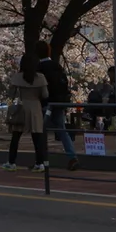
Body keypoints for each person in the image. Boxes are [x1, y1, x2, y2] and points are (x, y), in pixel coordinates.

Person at [37, 40, 80, 171]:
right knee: (62, 130)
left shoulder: (39, 68)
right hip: (59, 102)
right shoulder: (57, 66)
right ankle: (72, 156)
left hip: (45, 103)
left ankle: (42, 161)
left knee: (40, 131)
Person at [3, 53, 48, 172]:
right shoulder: (40, 78)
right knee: (37, 137)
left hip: (22, 108)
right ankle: (40, 163)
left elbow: (11, 94)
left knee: (16, 137)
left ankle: (11, 162)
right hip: (35, 107)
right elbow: (45, 95)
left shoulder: (18, 77)